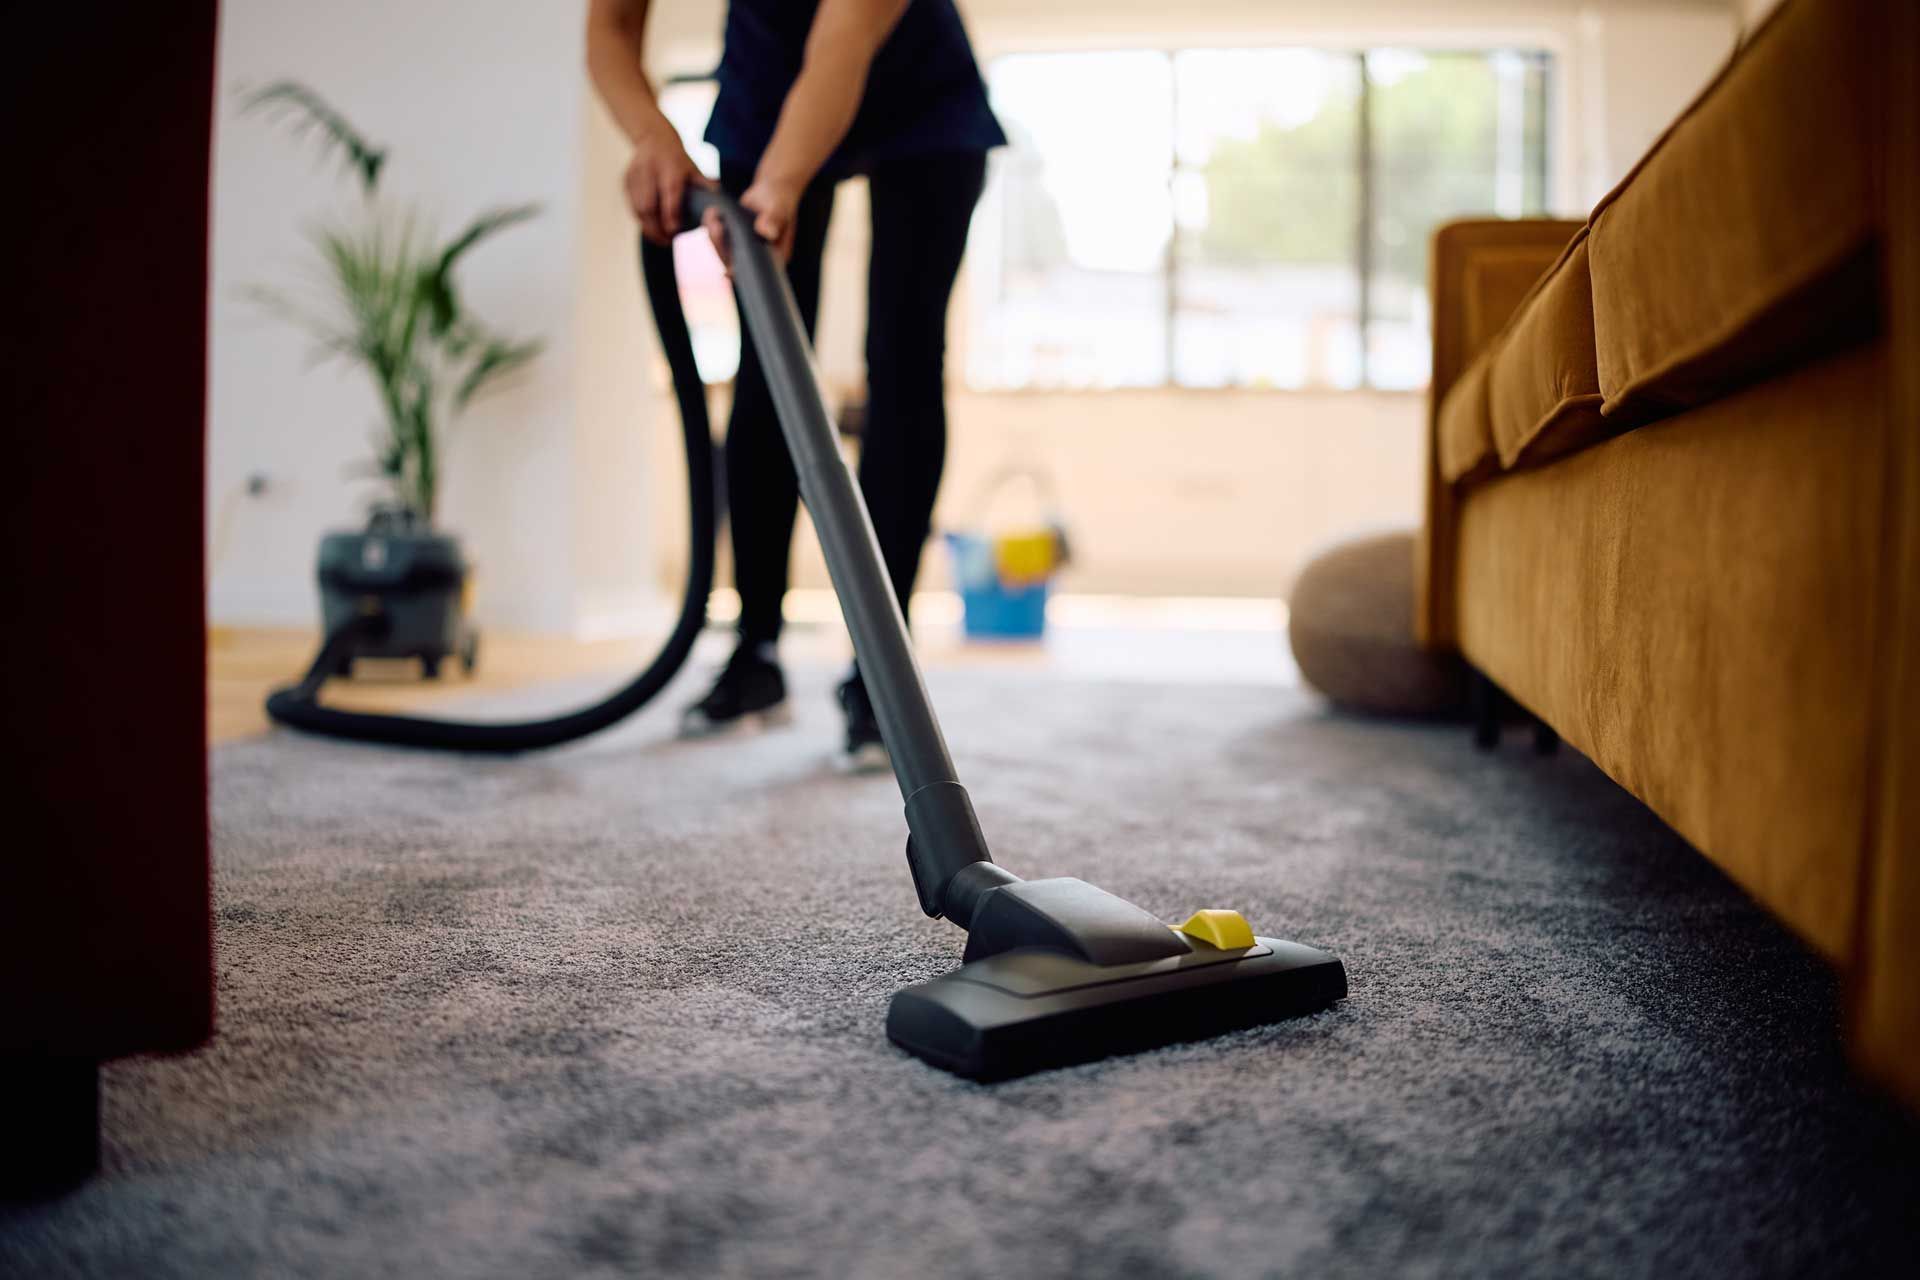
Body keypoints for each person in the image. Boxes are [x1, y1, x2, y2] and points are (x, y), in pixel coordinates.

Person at [587, 0, 1004, 769]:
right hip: (767, 84)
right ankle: (756, 652)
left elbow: (842, 39)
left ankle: (883, 675)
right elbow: (610, 30)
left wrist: (779, 185)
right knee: (769, 371)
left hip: (920, 89)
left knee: (905, 366)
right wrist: (654, 138)